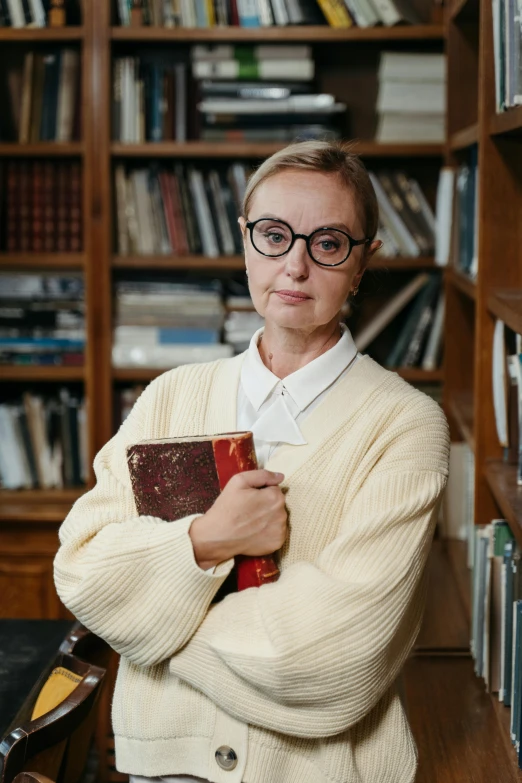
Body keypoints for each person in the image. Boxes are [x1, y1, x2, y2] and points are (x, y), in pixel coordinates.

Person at [54, 140, 450, 783]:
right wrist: (207, 541)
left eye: (327, 243)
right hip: (165, 769)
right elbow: (83, 573)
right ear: (245, 241)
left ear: (362, 263)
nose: (294, 266)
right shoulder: (171, 396)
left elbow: (335, 658)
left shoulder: (404, 426)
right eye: (273, 235)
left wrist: (151, 627)